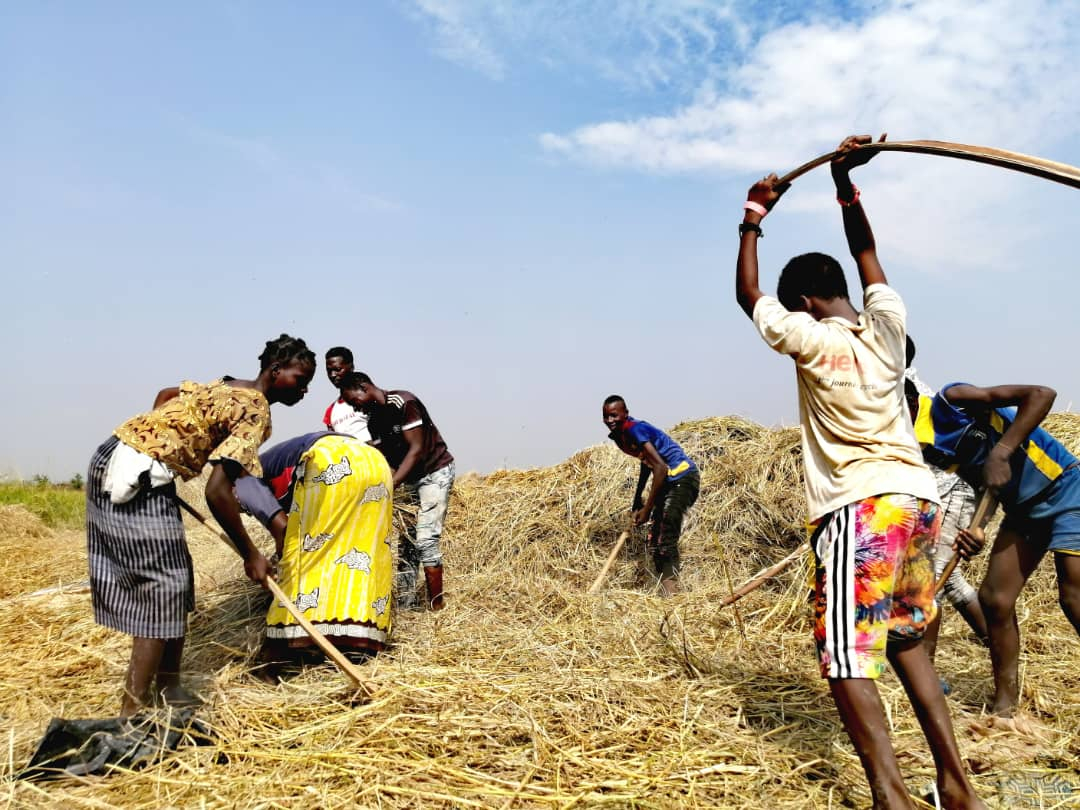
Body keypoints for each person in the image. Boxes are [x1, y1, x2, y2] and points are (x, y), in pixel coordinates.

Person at [735, 135, 985, 810]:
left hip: (859, 507)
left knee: (844, 656)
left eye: (796, 305)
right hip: (917, 502)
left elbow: (748, 294)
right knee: (907, 644)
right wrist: (846, 185)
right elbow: (867, 256)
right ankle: (957, 789)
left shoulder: (811, 340)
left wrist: (753, 218)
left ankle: (891, 798)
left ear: (809, 301)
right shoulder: (888, 331)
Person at [85, 335, 316, 716]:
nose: (305, 389)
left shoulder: (226, 386)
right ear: (275, 371)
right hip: (134, 473)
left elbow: (165, 395)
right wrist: (251, 555)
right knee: (162, 586)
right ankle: (131, 713)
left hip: (124, 456)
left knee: (179, 577)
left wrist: (160, 441)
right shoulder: (256, 409)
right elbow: (218, 492)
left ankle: (169, 687)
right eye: (300, 378)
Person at [912, 380, 1080, 718]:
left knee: (1073, 595)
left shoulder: (951, 401)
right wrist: (976, 530)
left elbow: (1041, 395)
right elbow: (985, 483)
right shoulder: (924, 444)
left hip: (1066, 489)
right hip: (1023, 513)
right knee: (994, 599)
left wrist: (1001, 451)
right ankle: (1005, 704)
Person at [235, 431, 394, 674]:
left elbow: (283, 530)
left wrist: (270, 560)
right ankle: (357, 647)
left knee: (302, 564)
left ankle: (274, 660)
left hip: (329, 461)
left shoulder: (240, 480)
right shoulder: (276, 462)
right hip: (374, 463)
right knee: (361, 557)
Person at [903, 339, 990, 663]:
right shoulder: (894, 382)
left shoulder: (911, 391)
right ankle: (997, 646)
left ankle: (927, 671)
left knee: (932, 582)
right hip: (938, 492)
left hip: (952, 489)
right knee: (950, 581)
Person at [340, 372, 454, 611]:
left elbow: (416, 450)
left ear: (363, 387)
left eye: (354, 401)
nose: (357, 410)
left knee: (425, 539)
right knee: (407, 542)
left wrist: (391, 485)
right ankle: (407, 604)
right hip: (409, 478)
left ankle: (437, 607)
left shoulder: (403, 403)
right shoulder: (373, 421)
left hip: (434, 473)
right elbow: (389, 459)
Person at [601, 395, 700, 596]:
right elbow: (647, 463)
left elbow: (661, 467)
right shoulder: (620, 437)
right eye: (606, 417)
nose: (610, 420)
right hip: (669, 482)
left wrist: (647, 510)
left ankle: (672, 594)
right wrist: (638, 499)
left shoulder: (634, 429)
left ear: (625, 414)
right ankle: (665, 590)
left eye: (614, 415)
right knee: (654, 537)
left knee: (665, 535)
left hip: (682, 477)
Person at [322, 347, 371, 441]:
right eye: (329, 371)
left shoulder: (368, 396)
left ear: (351, 367)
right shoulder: (330, 411)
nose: (332, 375)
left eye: (337, 369)